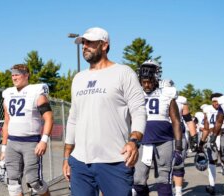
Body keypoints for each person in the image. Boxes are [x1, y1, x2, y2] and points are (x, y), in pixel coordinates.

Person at [62, 27, 147, 196]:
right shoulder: (78, 78)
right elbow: (73, 119)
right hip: (80, 163)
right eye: (83, 43)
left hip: (114, 161)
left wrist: (134, 141)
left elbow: (139, 111)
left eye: (90, 43)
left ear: (104, 45)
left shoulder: (123, 73)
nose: (84, 46)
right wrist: (67, 157)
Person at [0, 64, 53, 196]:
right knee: (12, 183)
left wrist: (44, 140)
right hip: (12, 143)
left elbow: (49, 118)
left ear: (26, 74)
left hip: (31, 143)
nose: (14, 77)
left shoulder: (36, 92)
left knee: (34, 182)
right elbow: (6, 123)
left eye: (17, 74)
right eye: (12, 74)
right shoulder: (8, 94)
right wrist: (3, 148)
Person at [132, 62, 183, 196]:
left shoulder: (167, 93)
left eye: (150, 81)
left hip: (164, 141)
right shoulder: (135, 93)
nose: (147, 85)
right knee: (138, 179)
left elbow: (176, 121)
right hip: (142, 141)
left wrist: (178, 147)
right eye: (144, 82)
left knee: (163, 178)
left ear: (156, 78)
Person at [159, 79, 199, 196]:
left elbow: (188, 120)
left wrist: (194, 137)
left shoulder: (181, 101)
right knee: (163, 166)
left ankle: (178, 192)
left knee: (178, 164)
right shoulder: (155, 98)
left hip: (178, 135)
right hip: (163, 135)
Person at [199, 93, 224, 195]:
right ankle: (212, 185)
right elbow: (206, 127)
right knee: (212, 161)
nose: (216, 103)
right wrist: (202, 141)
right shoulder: (207, 109)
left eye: (217, 101)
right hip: (212, 136)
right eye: (214, 101)